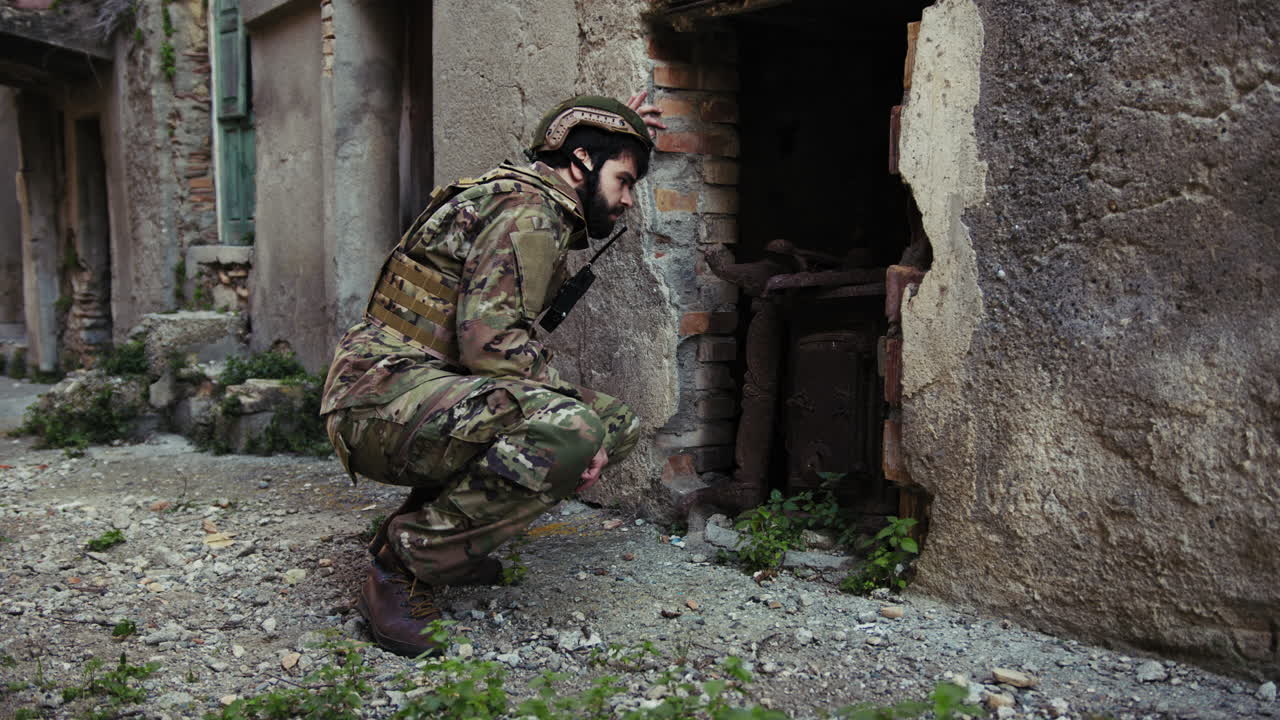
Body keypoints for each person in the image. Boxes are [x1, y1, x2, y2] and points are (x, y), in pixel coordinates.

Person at [319, 92, 665, 657]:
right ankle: (405, 565)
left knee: (615, 423)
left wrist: (617, 122)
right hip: (377, 402)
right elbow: (495, 350)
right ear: (581, 161)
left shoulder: (528, 199)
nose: (627, 199)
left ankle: (436, 535)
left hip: (414, 393)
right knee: (573, 430)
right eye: (624, 180)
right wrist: (575, 428)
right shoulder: (527, 212)